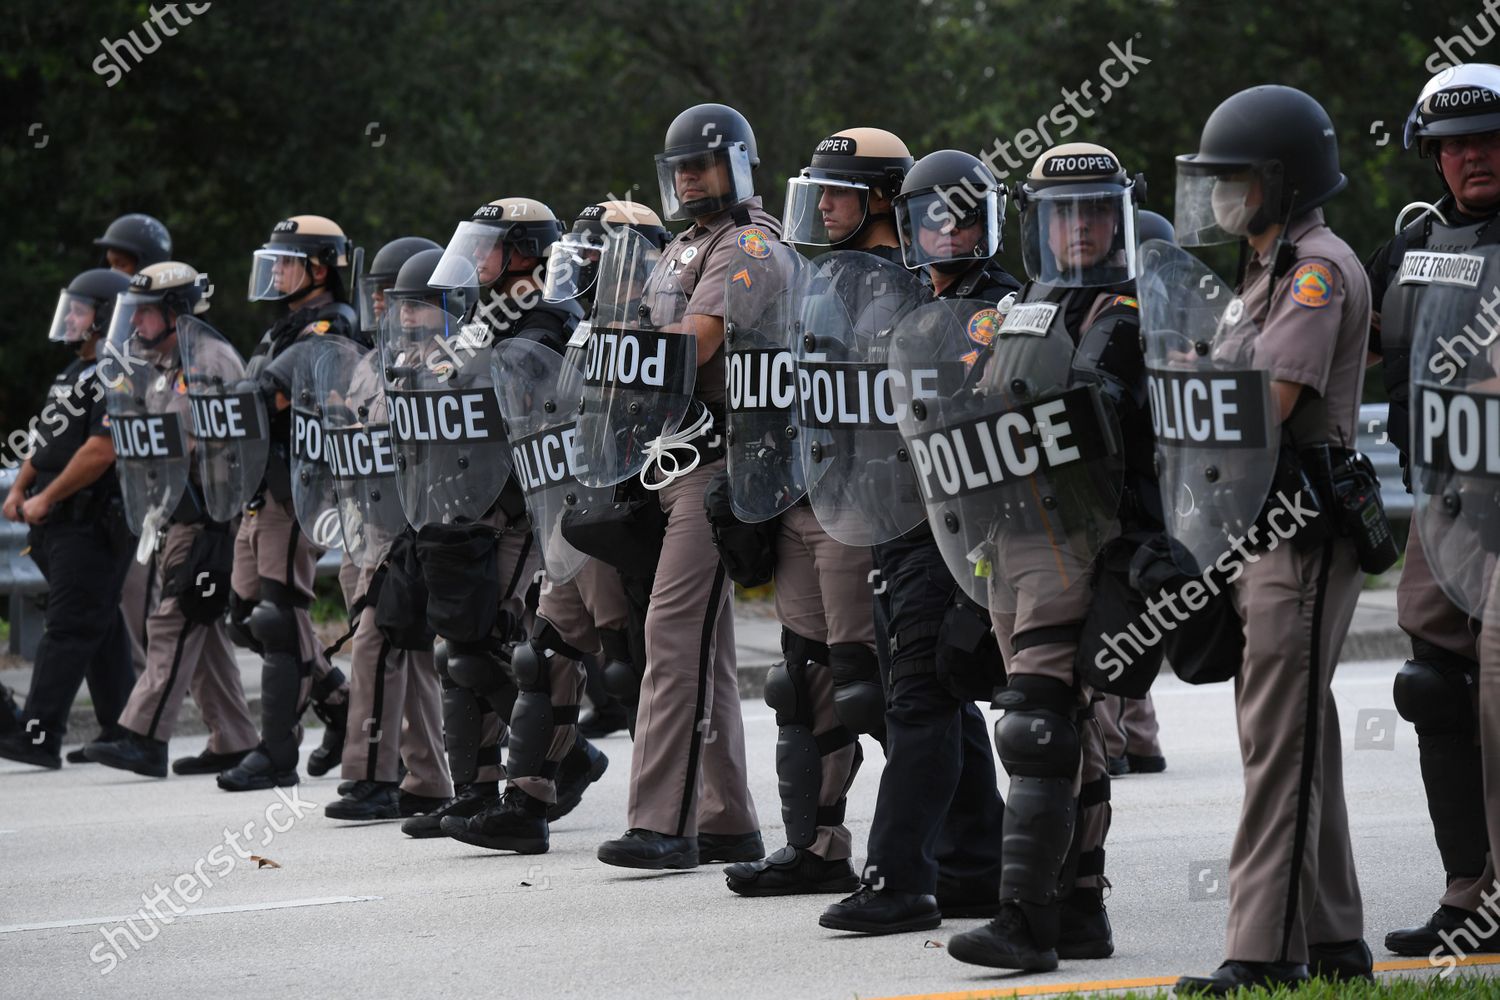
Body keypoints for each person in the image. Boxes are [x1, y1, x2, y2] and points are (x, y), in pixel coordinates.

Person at [1169, 86, 1373, 993]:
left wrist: (1199, 378)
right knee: (1297, 731)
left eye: (1238, 178)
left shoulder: (1315, 269)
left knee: (1276, 734)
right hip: (1253, 527)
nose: (1222, 195)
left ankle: (1262, 952)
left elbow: (1267, 406)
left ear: (1283, 182)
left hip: (1300, 525)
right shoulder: (1261, 269)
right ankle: (1333, 941)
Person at [819, 148, 1018, 934]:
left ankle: (900, 879)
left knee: (918, 700)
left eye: (959, 218)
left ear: (987, 221)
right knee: (941, 689)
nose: (943, 234)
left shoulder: (1002, 306)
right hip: (901, 520)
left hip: (967, 530)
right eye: (926, 220)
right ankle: (975, 868)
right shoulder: (903, 302)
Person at [724, 128, 912, 898]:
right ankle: (816, 846)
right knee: (799, 680)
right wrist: (746, 476)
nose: (825, 205)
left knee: (878, 683)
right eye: (820, 190)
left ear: (880, 198)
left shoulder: (914, 282)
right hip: (805, 496)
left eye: (840, 191)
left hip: (870, 508)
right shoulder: (816, 281)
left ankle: (948, 848)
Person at [591, 103, 770, 870]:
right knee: (703, 645)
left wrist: (613, 348)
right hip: (665, 457)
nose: (691, 179)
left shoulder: (748, 245)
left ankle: (663, 825)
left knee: (670, 634)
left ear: (738, 163)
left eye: (702, 164)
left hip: (719, 462)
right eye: (680, 169)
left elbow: (693, 345)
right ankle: (728, 822)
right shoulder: (680, 249)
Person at [1366, 64, 1500, 957]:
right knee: (1432, 690)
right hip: (1444, 503)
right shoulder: (1413, 247)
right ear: (1431, 155)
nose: (1471, 156)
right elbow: (1359, 345)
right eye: (1453, 144)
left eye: (1488, 137)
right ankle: (1469, 894)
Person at [81, 262, 259, 778]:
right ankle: (234, 738)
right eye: (132, 314)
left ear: (177, 313)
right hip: (174, 515)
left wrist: (222, 523)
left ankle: (142, 737)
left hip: (207, 517)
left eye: (147, 314)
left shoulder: (210, 363)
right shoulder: (166, 366)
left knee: (172, 620)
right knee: (201, 634)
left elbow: (231, 450)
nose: (136, 325)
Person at [218, 215, 355, 792]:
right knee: (247, 619)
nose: (273, 271)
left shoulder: (331, 325)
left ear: (318, 267)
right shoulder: (284, 326)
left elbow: (266, 397)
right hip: (262, 489)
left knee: (277, 618)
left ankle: (276, 754)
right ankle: (345, 707)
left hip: (300, 488)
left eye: (285, 261)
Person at [322, 235, 452, 820]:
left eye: (408, 299)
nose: (390, 310)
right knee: (408, 653)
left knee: (381, 644)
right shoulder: (371, 364)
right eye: (384, 296)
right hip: (368, 524)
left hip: (416, 530)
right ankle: (425, 776)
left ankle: (372, 775)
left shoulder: (450, 359)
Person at [0, 267, 135, 769]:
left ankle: (38, 735)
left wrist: (45, 497)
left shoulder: (114, 371)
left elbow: (101, 451)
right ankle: (125, 731)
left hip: (92, 521)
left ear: (104, 317)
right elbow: (46, 439)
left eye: (80, 309)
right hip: (59, 521)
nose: (70, 317)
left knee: (70, 625)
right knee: (97, 623)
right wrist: (19, 486)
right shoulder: (73, 373)